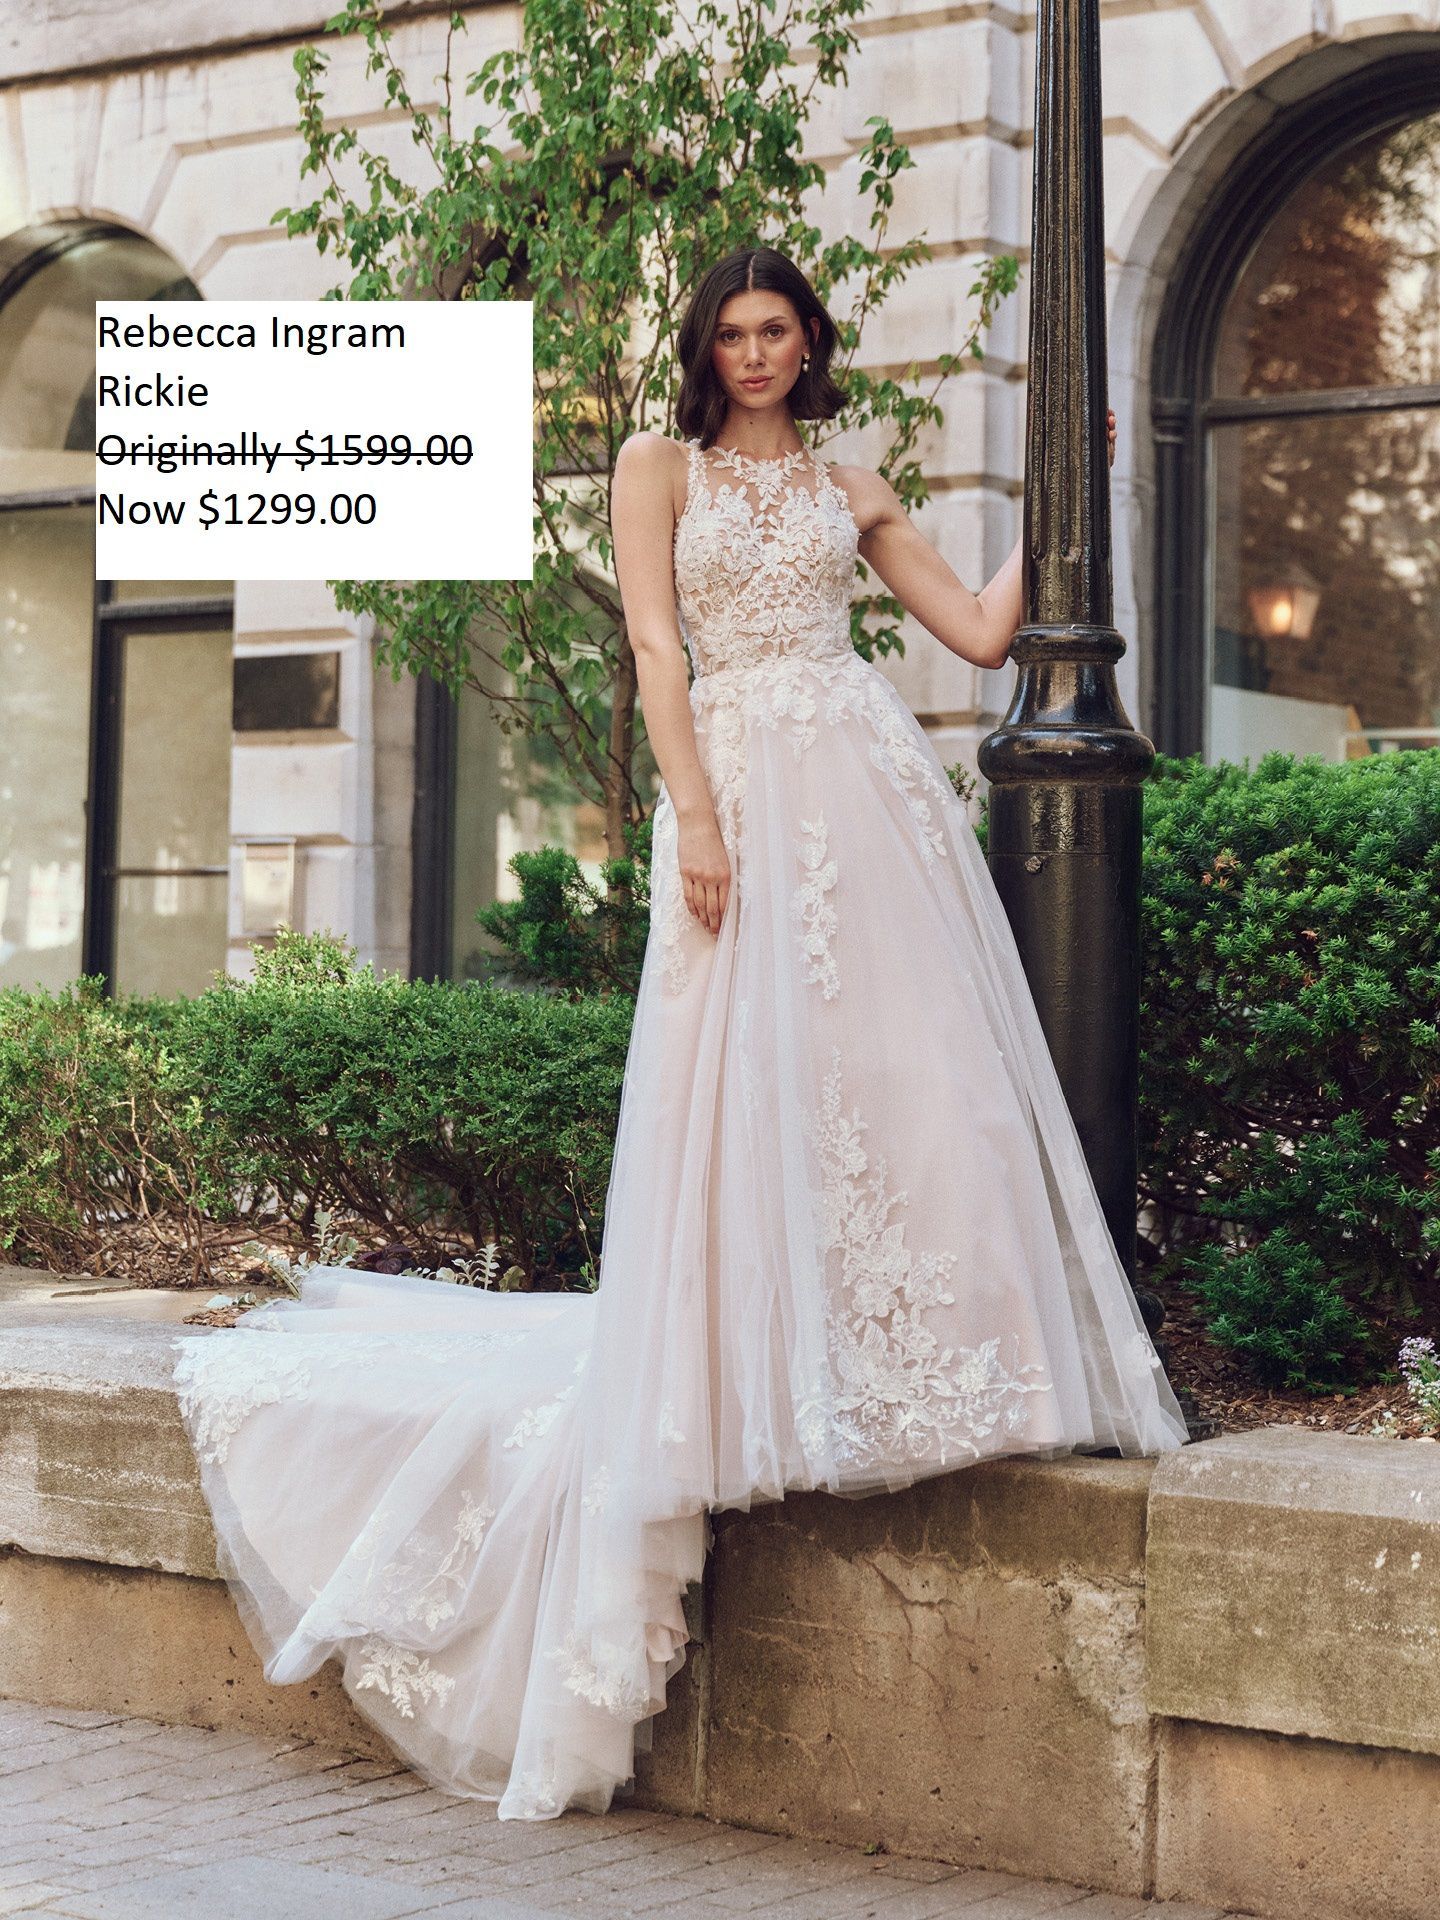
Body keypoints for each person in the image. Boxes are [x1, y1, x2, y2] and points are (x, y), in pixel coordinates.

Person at [171, 245, 1188, 1825]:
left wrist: (1074, 496)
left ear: (812, 341)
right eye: (735, 330)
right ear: (707, 347)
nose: (760, 350)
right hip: (741, 789)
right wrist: (691, 814)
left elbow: (983, 639)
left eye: (780, 328)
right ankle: (735, 1382)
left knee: (911, 1090)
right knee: (745, 1089)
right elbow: (655, 648)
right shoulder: (658, 466)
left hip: (866, 786)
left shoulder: (854, 481)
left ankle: (914, 1373)